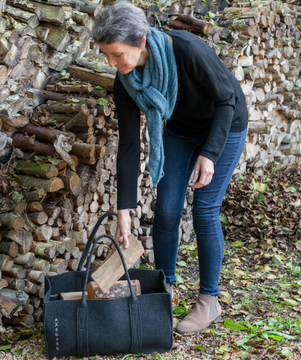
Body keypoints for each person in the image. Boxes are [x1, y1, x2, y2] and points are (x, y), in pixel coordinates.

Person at [92, 0, 248, 334]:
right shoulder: (127, 81)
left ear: (141, 42)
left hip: (225, 124)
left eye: (116, 53)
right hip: (180, 131)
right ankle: (164, 293)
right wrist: (124, 209)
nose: (111, 62)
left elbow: (226, 100)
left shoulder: (189, 50)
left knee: (205, 210)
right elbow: (130, 144)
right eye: (105, 54)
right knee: (166, 210)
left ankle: (209, 301)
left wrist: (210, 153)